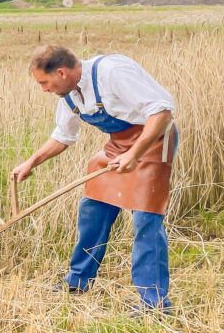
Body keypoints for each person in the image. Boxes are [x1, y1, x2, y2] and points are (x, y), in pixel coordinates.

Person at [13, 45, 177, 312]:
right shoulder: (68, 95)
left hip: (153, 144)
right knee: (92, 208)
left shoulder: (112, 72)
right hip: (118, 148)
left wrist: (135, 154)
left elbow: (162, 111)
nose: (43, 89)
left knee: (146, 219)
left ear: (62, 72)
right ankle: (78, 281)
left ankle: (154, 305)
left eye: (45, 82)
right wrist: (31, 162)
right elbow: (63, 136)